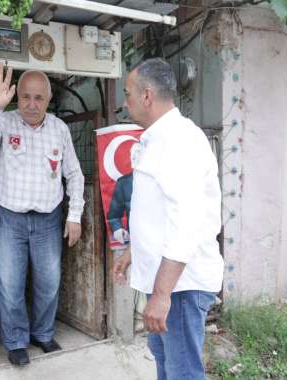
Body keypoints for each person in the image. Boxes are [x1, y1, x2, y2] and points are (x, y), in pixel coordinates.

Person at [112, 58, 224, 380]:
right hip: (166, 282)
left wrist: (161, 296)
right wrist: (134, 251)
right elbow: (159, 209)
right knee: (166, 365)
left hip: (181, 288)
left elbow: (185, 225)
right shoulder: (157, 138)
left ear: (147, 95)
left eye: (128, 93)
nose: (125, 102)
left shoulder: (179, 140)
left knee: (182, 373)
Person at [0, 63, 84, 366]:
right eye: (26, 97)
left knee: (49, 281)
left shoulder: (59, 128)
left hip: (47, 220)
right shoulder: (4, 122)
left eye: (39, 98)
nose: (32, 105)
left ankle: (43, 334)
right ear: (17, 97)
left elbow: (74, 174)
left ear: (48, 100)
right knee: (10, 282)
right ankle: (16, 340)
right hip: (9, 218)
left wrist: (74, 215)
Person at [107, 172, 133, 245]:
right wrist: (118, 229)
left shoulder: (166, 180)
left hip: (165, 245)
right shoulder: (125, 183)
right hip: (135, 244)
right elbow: (114, 216)